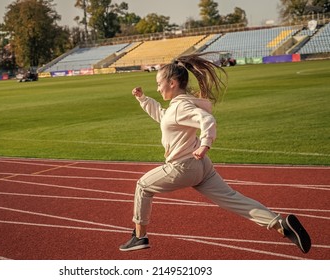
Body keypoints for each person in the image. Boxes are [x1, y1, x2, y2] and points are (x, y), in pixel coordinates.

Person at [119, 54, 311, 254]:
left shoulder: (181, 106)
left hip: (183, 167)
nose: (158, 89)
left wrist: (205, 144)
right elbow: (164, 116)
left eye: (159, 84)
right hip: (202, 167)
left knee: (143, 186)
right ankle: (280, 224)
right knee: (232, 198)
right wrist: (143, 99)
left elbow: (207, 120)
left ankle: (139, 237)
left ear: (173, 83)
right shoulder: (181, 105)